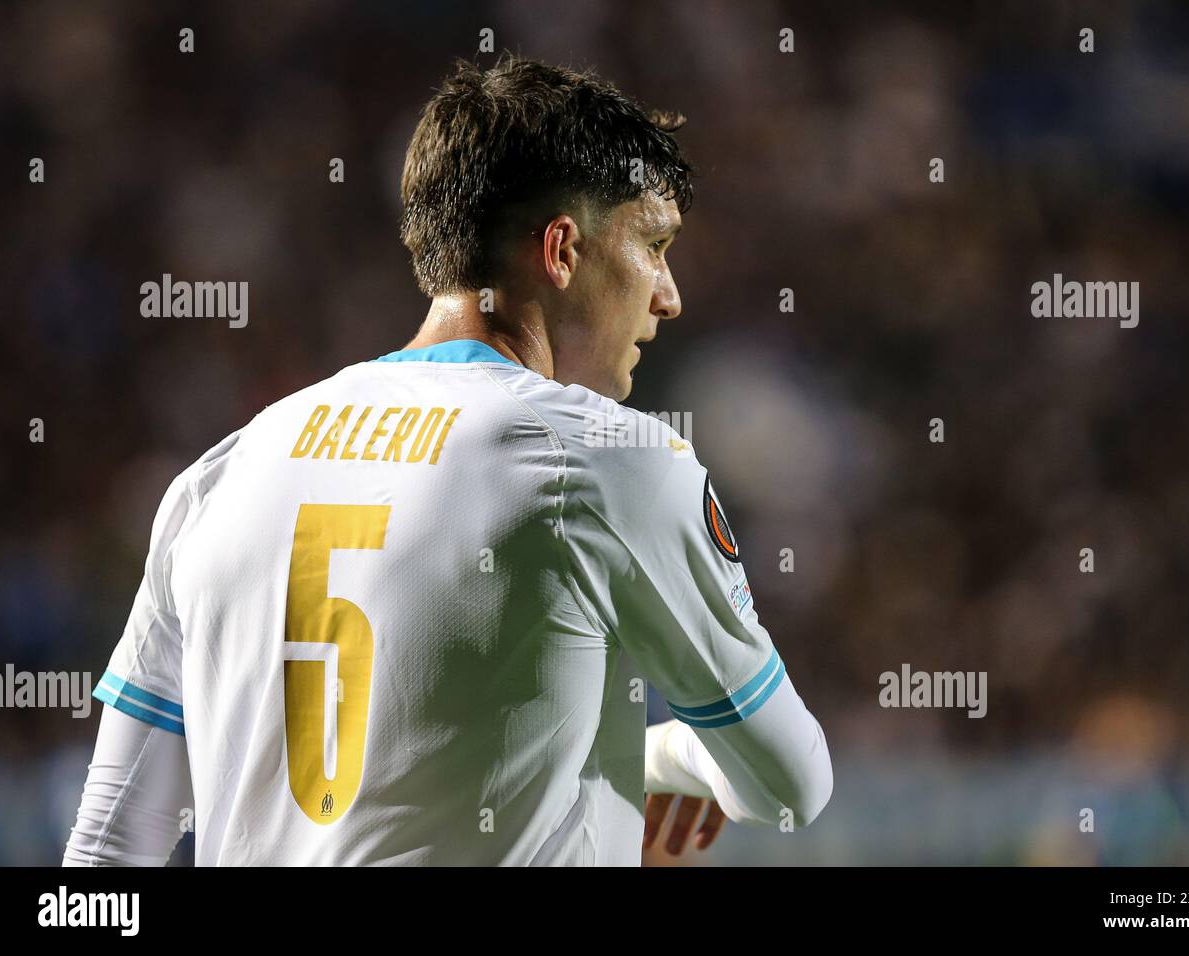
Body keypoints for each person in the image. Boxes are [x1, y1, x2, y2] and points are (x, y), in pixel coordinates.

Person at [63, 54, 832, 866]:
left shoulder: (218, 476)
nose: (668, 295)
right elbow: (792, 785)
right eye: (653, 244)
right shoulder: (611, 462)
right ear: (563, 250)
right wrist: (669, 758)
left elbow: (105, 859)